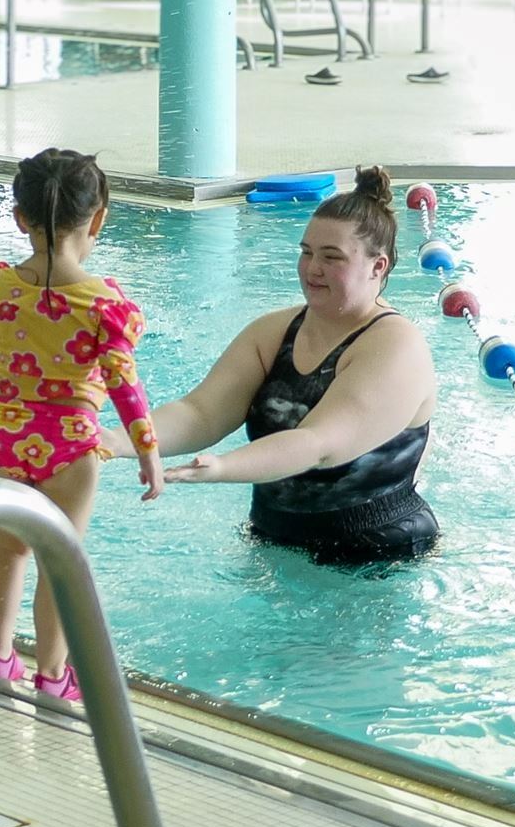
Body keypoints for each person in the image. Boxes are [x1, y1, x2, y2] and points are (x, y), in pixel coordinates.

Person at [154, 166, 439, 564]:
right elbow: (200, 412)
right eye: (306, 253)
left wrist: (222, 468)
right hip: (275, 539)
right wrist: (121, 439)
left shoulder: (395, 346)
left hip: (378, 557)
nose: (312, 268)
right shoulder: (274, 332)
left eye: (331, 257)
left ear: (379, 266)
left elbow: (319, 445)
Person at [0, 148, 163, 701]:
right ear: (99, 218)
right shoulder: (105, 303)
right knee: (59, 563)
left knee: (6, 551)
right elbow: (124, 385)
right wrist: (148, 452)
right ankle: (53, 677)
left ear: (20, 219)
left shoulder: (0, 284)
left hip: (3, 436)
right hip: (70, 446)